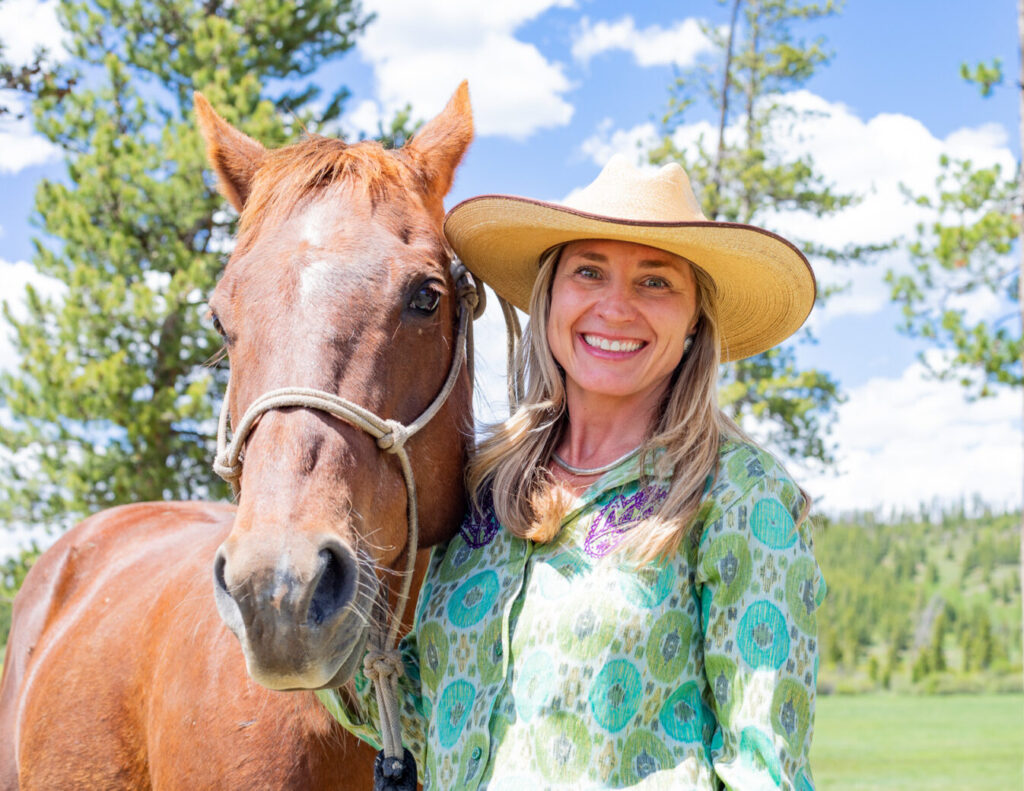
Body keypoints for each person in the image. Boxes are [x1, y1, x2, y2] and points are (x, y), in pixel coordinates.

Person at [317, 154, 826, 790]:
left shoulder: (740, 497)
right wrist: (327, 620)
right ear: (550, 296)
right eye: (589, 271)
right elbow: (429, 719)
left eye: (656, 281)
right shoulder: (484, 489)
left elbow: (765, 769)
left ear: (695, 320)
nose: (615, 308)